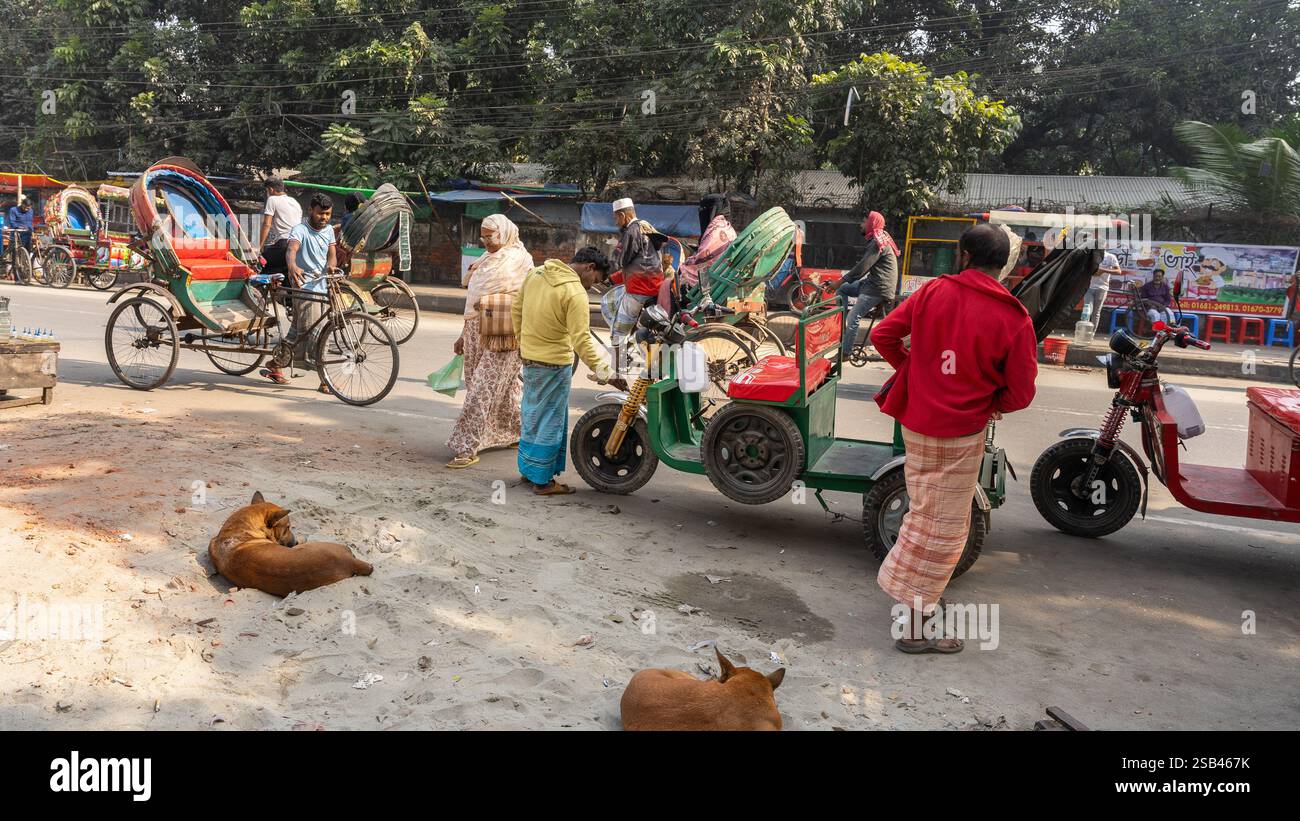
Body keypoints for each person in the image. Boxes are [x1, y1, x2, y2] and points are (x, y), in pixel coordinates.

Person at [869, 223, 1038, 655]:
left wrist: (912, 367)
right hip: (963, 432)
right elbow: (1020, 394)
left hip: (918, 422)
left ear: (963, 255)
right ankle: (913, 631)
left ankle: (913, 598)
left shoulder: (931, 293)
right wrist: (993, 400)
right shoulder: (1013, 317)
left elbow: (882, 334)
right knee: (942, 529)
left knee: (924, 514)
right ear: (1004, 265)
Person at [512, 247, 627, 496]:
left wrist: (522, 342)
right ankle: (542, 482)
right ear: (589, 267)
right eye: (594, 280)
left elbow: (516, 309)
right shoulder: (574, 293)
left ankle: (529, 470)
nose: (591, 286)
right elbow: (582, 341)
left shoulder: (537, 273)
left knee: (532, 416)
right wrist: (607, 373)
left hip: (530, 358)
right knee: (550, 422)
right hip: (554, 363)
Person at [445, 214, 533, 469]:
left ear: (504, 233)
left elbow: (523, 298)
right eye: (482, 236)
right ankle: (516, 431)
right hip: (475, 330)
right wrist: (463, 334)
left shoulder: (520, 260)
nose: (485, 241)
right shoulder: (484, 260)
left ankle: (466, 447)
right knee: (502, 389)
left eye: (490, 236)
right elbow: (472, 296)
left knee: (481, 390)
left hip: (504, 331)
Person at [261, 193, 335, 390]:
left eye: (327, 214)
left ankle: (275, 364)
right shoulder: (300, 229)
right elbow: (291, 249)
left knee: (298, 334)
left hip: (322, 287)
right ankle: (324, 380)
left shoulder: (328, 231)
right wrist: (292, 266)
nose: (324, 218)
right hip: (304, 288)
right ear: (311, 210)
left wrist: (332, 267)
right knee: (316, 333)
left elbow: (332, 255)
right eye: (320, 213)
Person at [608, 198, 664, 373]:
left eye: (616, 218)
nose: (616, 222)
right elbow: (638, 263)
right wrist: (614, 278)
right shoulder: (646, 226)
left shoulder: (632, 230)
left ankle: (617, 370)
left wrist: (606, 273)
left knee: (618, 329)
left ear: (623, 215)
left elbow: (622, 261)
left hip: (640, 289)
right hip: (654, 285)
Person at [837, 211, 900, 360]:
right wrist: (840, 284)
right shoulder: (879, 239)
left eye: (864, 222)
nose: (861, 224)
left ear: (871, 224)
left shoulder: (877, 242)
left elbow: (861, 268)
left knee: (854, 317)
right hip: (872, 283)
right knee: (843, 290)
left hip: (878, 288)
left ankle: (845, 353)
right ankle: (844, 329)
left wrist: (838, 281)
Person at [662, 194, 734, 311]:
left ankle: (673, 321)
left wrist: (686, 264)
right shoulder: (726, 226)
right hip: (720, 276)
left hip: (708, 282)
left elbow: (703, 258)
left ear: (711, 210)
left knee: (671, 286)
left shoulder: (716, 229)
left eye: (704, 210)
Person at [257, 177, 302, 277]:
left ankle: (262, 290)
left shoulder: (272, 199)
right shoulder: (294, 202)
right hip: (298, 245)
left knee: (261, 262)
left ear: (270, 189)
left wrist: (259, 247)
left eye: (267, 190)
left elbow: (267, 224)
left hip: (285, 244)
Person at [1082, 248, 1121, 339]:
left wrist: (1103, 270)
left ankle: (1091, 334)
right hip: (1089, 286)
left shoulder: (1110, 257)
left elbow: (1118, 271)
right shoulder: (1090, 256)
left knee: (1096, 312)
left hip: (1102, 288)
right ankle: (1083, 332)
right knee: (1087, 309)